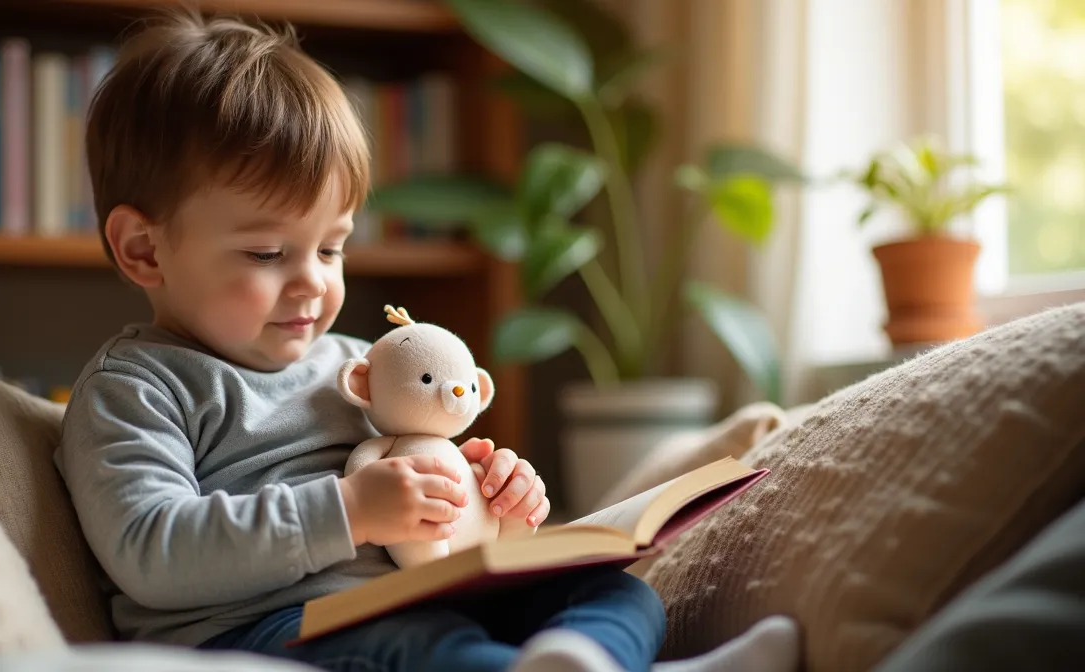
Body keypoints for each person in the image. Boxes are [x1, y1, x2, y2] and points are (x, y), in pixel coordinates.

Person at [56, 8, 799, 672]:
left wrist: (496, 500)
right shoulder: (136, 387)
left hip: (420, 598)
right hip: (265, 632)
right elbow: (153, 550)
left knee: (620, 595)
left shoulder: (361, 366)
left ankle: (579, 661)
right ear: (145, 250)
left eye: (331, 248)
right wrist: (350, 510)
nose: (313, 283)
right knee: (421, 652)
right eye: (266, 253)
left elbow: (437, 510)